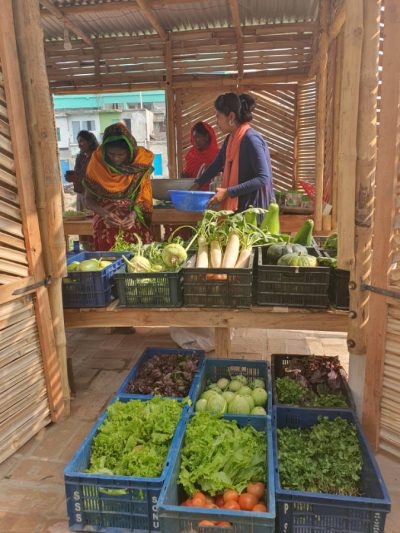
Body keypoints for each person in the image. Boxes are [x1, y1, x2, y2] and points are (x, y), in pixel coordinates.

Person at [192, 93, 275, 213]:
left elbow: (263, 178)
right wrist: (197, 184)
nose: (216, 122)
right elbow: (216, 165)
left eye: (218, 116)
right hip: (239, 207)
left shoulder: (251, 140)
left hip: (254, 209)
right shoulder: (230, 139)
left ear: (231, 117)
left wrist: (228, 192)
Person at [83, 122, 154, 251]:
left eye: (121, 155)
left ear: (130, 151)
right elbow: (88, 200)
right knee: (107, 263)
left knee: (137, 262)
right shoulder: (97, 164)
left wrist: (133, 215)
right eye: (111, 154)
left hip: (133, 224)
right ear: (104, 150)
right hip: (106, 225)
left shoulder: (140, 164)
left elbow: (144, 198)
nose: (116, 159)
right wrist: (105, 214)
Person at [65, 130, 99, 211]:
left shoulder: (97, 158)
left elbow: (95, 179)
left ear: (90, 142)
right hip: (81, 194)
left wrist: (77, 178)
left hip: (92, 197)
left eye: (82, 141)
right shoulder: (82, 157)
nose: (79, 145)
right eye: (78, 142)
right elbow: (78, 173)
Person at [181, 121, 219, 190]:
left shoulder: (217, 156)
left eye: (198, 137)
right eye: (194, 137)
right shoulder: (191, 154)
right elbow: (188, 175)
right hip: (193, 191)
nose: (195, 140)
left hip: (212, 193)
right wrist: (184, 176)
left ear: (207, 137)